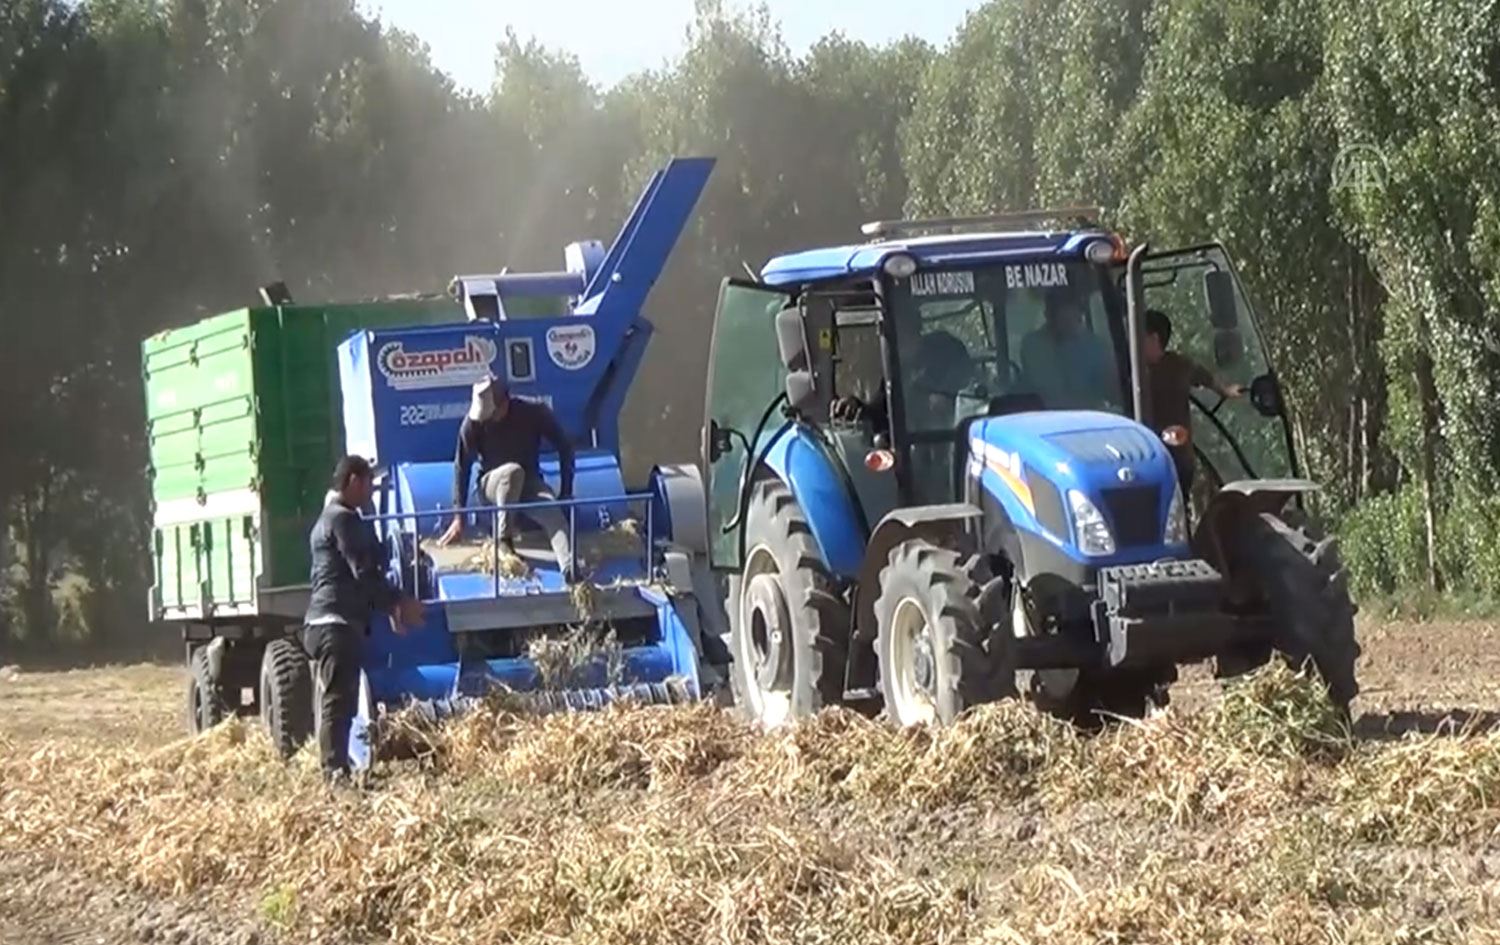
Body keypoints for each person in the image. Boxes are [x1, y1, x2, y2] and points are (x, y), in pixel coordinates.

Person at [302, 455, 423, 782]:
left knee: (340, 700)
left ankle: (337, 768)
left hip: (325, 622)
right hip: (334, 622)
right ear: (353, 481)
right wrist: (397, 602)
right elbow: (364, 573)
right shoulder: (343, 520)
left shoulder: (331, 518)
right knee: (338, 701)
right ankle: (334, 773)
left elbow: (370, 557)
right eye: (369, 483)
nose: (371, 491)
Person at [436, 373, 577, 576]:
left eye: (491, 413)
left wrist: (565, 493)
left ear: (505, 403)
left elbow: (565, 446)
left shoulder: (533, 413)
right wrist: (459, 517)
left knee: (553, 514)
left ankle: (570, 569)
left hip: (529, 484)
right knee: (512, 472)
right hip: (490, 485)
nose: (487, 417)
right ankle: (504, 541)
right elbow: (462, 467)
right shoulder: (472, 424)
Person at [1143, 308, 1244, 497]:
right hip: (1144, 457)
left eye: (1139, 336)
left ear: (1154, 338)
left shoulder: (1178, 366)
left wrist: (1225, 390)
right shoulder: (1130, 370)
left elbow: (1206, 378)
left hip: (1178, 459)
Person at [1018, 291, 1117, 410]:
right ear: (1048, 316)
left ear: (1080, 315)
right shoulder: (1033, 346)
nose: (1068, 323)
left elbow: (1111, 390)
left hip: (1089, 417)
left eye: (1072, 317)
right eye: (1062, 317)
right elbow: (1034, 387)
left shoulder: (1096, 347)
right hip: (1040, 417)